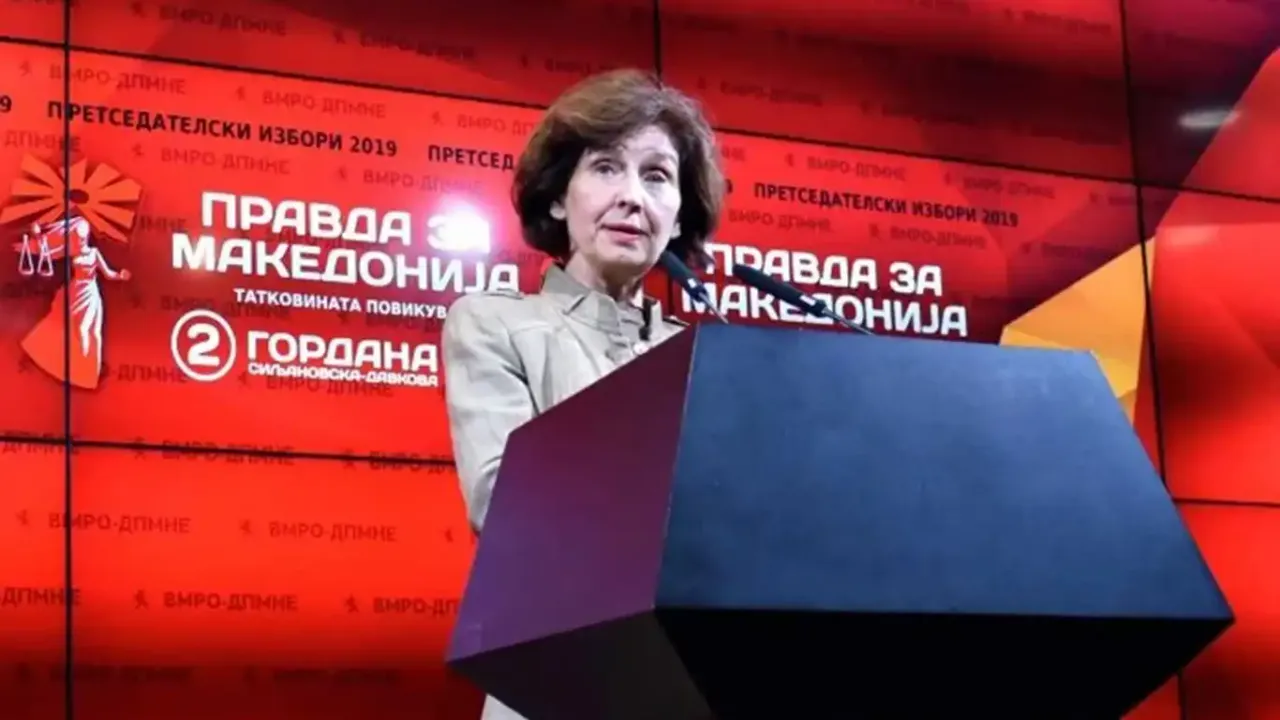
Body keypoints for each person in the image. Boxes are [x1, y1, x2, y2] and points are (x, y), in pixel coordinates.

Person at [441, 69, 725, 720]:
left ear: (679, 213)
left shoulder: (704, 356)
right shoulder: (494, 322)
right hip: (558, 683)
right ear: (557, 199)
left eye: (656, 176)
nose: (632, 197)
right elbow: (503, 503)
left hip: (687, 684)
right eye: (605, 168)